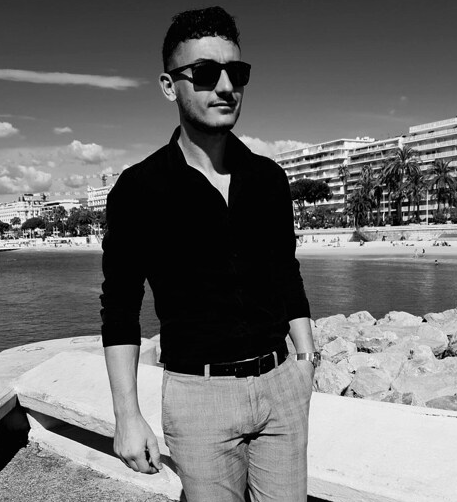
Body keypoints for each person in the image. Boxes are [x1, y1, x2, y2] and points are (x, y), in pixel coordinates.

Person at [100, 6, 318, 502]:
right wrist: (127, 415)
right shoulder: (138, 189)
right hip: (198, 397)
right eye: (204, 73)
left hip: (282, 384)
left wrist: (306, 361)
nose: (225, 86)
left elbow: (286, 272)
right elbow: (120, 307)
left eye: (236, 72)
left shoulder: (268, 178)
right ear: (168, 85)